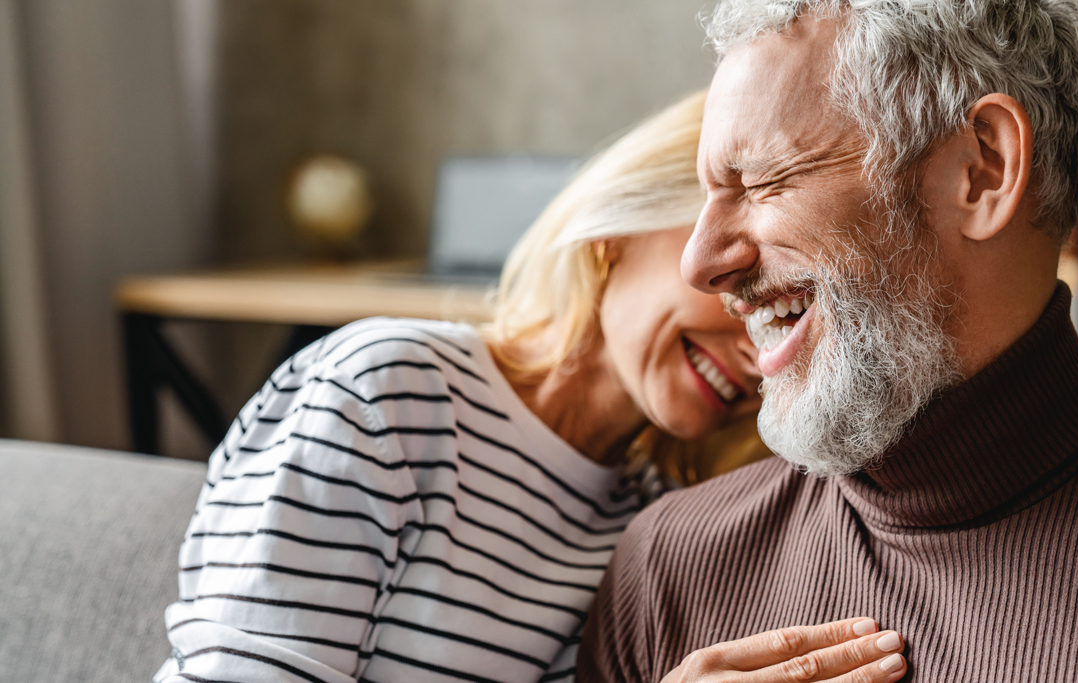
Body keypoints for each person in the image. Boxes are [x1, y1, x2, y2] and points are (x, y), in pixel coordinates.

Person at [154, 91, 911, 683]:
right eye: (737, 282)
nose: (758, 354)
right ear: (621, 227)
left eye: (789, 313)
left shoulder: (648, 523)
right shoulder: (387, 394)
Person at [579, 2, 1078, 682]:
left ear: (982, 170)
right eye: (707, 195)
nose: (700, 262)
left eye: (760, 182)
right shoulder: (668, 569)